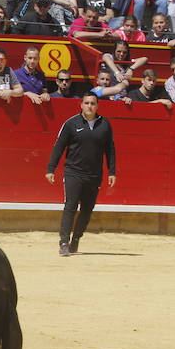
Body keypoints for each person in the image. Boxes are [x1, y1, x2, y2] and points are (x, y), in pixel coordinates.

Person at [45, 93, 116, 257]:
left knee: (87, 209)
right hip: (73, 172)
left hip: (94, 174)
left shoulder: (105, 124)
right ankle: (63, 242)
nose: (89, 106)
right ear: (81, 105)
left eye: (92, 103)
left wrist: (112, 171)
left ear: (97, 106)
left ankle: (76, 238)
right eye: (86, 103)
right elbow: (59, 146)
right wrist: (51, 168)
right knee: (70, 206)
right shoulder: (71, 123)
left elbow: (110, 150)